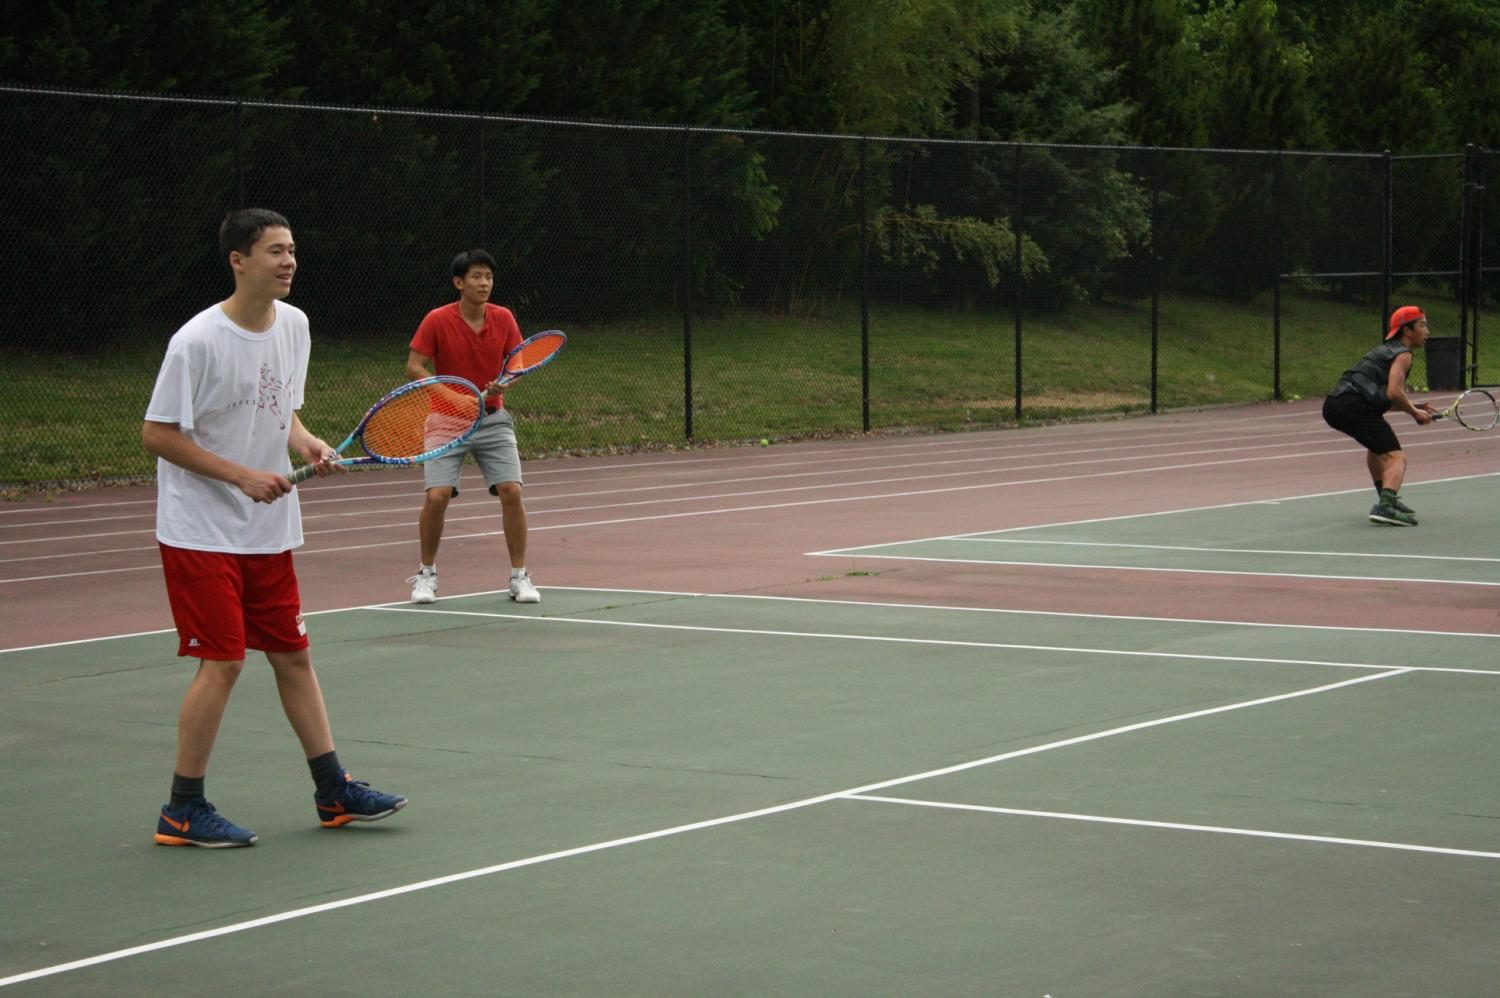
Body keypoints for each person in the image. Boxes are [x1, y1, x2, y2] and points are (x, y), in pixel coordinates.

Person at [143, 208, 407, 848]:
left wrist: (309, 441)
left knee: (292, 654)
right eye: (274, 252)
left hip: (267, 530)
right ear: (238, 260)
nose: (288, 261)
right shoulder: (196, 341)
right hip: (201, 529)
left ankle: (333, 790)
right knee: (225, 662)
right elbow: (157, 434)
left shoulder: (295, 325)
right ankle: (183, 809)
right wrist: (239, 475)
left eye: (292, 250)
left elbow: (279, 408)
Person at [404, 248, 540, 605]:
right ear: (458, 283)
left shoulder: (504, 318)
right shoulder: (437, 319)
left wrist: (506, 381)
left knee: (512, 491)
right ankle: (426, 575)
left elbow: (517, 361)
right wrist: (449, 394)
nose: (484, 283)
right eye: (477, 277)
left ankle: (519, 577)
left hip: (493, 420)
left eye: (489, 277)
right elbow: (415, 366)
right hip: (445, 421)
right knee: (437, 497)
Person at [1322, 305, 1437, 526]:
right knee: (1396, 457)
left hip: (1336, 404)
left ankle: (1387, 498)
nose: (1427, 332)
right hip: (1353, 406)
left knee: (1377, 449)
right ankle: (1385, 506)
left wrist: (1413, 405)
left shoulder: (1384, 351)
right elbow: (1394, 392)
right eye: (1422, 325)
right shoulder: (1403, 354)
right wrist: (1414, 413)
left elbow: (1381, 396)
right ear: (1407, 330)